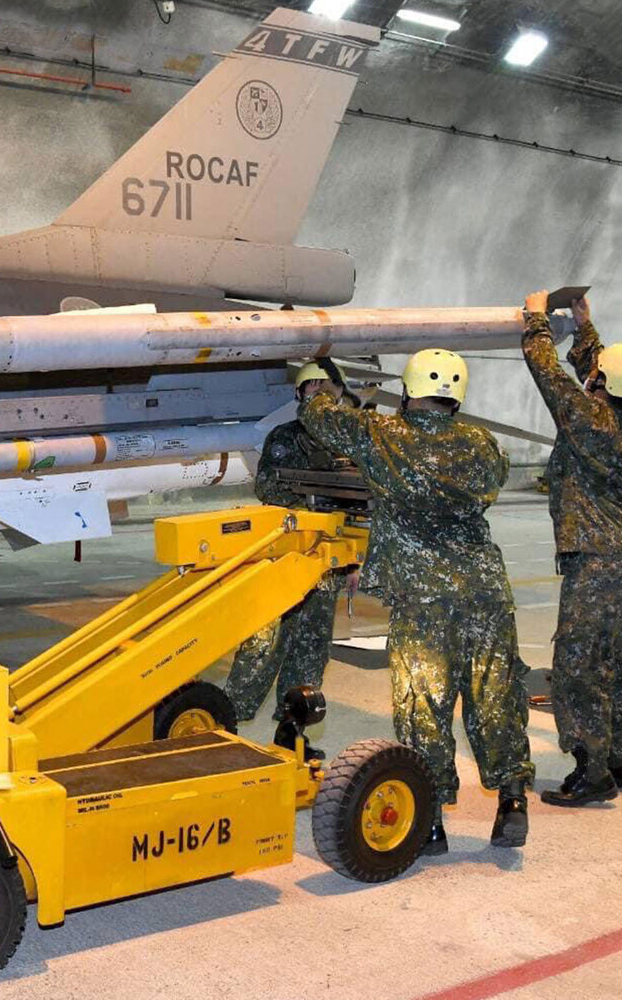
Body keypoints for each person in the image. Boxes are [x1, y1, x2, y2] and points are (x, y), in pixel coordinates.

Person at [300, 352, 533, 852]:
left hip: (423, 597)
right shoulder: (483, 443)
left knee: (422, 703)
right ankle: (513, 799)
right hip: (485, 592)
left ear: (407, 390)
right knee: (495, 695)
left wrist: (321, 391)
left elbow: (321, 418)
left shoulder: (383, 434)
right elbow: (494, 477)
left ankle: (430, 821)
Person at [521, 292, 622, 806]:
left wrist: (537, 320)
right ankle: (621, 759)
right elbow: (601, 379)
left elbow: (548, 373)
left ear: (600, 381)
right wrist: (585, 328)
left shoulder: (586, 418)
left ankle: (590, 771)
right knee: (615, 661)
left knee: (578, 668)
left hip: (597, 559)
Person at [223, 362, 355, 748]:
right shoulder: (285, 437)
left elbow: (358, 506)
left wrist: (354, 561)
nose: (320, 393)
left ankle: (292, 732)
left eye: (326, 387)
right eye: (311, 387)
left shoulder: (350, 442)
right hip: (285, 554)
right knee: (261, 645)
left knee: (311, 650)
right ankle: (228, 724)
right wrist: (313, 500)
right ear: (299, 395)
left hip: (327, 561)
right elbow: (268, 487)